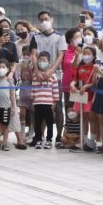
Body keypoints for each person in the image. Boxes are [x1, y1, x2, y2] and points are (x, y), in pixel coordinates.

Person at [29, 10, 67, 143]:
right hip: (38, 77)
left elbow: (60, 55)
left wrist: (51, 71)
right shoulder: (35, 37)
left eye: (46, 19)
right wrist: (37, 72)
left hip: (55, 76)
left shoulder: (60, 37)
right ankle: (39, 136)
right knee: (39, 107)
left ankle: (58, 136)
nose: (44, 22)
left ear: (52, 19)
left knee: (56, 107)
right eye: (41, 20)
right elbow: (33, 54)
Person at [30, 51, 60, 149]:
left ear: (49, 62)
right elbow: (33, 90)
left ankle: (49, 140)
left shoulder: (53, 76)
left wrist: (54, 103)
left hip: (48, 104)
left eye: (44, 60)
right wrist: (33, 102)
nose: (42, 62)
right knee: (37, 123)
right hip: (38, 104)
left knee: (50, 123)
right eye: (40, 60)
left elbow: (55, 91)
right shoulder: (35, 76)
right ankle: (38, 139)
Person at [70, 46, 97, 145]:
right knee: (84, 118)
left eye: (88, 54)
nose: (86, 56)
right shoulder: (80, 67)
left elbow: (94, 83)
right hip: (81, 96)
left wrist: (86, 86)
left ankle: (93, 139)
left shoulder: (95, 67)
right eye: (84, 54)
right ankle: (84, 139)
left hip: (91, 96)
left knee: (92, 118)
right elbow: (75, 80)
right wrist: (72, 85)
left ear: (94, 56)